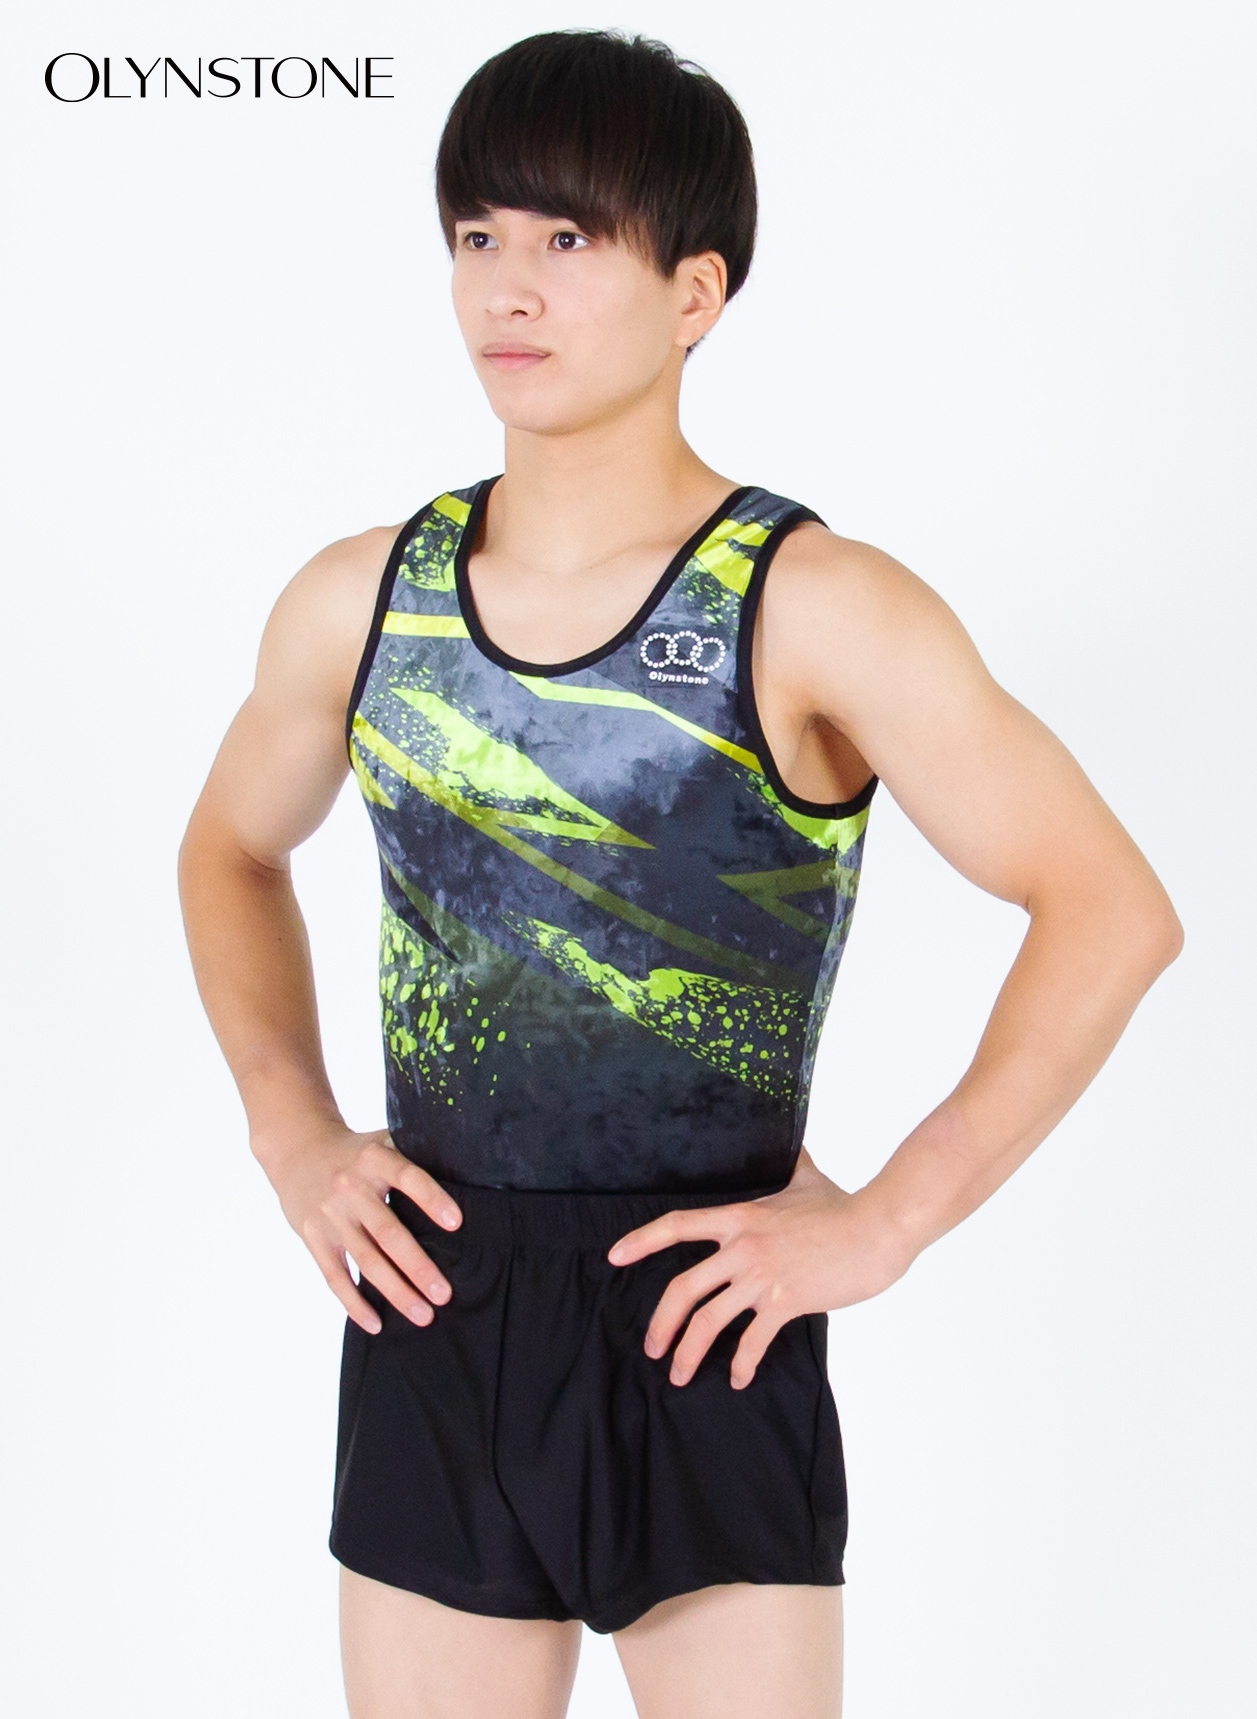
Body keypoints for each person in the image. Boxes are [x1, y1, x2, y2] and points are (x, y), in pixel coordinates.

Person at [177, 28, 1182, 1719]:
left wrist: (889, 1221)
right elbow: (227, 846)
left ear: (695, 291)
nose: (508, 286)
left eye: (569, 239)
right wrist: (292, 1131)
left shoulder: (813, 605)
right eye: (479, 234)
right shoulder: (360, 599)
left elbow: (1110, 910)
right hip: (436, 1298)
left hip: (709, 1305)